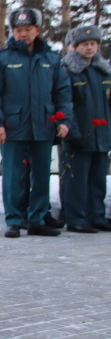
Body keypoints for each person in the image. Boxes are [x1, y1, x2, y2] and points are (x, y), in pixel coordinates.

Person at [0, 8, 72, 238]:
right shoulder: (0, 58)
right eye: (18, 30)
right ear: (13, 31)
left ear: (37, 30)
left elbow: (62, 93)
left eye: (28, 29)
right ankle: (13, 220)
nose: (23, 34)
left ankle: (37, 220)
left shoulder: (51, 59)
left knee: (42, 175)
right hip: (12, 127)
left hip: (43, 125)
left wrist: (63, 121)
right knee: (13, 176)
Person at [59, 25, 111, 233]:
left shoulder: (103, 71)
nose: (89, 48)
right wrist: (72, 133)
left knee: (98, 179)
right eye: (84, 44)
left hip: (101, 135)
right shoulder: (67, 71)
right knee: (76, 180)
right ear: (75, 46)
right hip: (78, 136)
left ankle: (96, 216)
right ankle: (75, 218)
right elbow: (65, 104)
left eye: (93, 44)